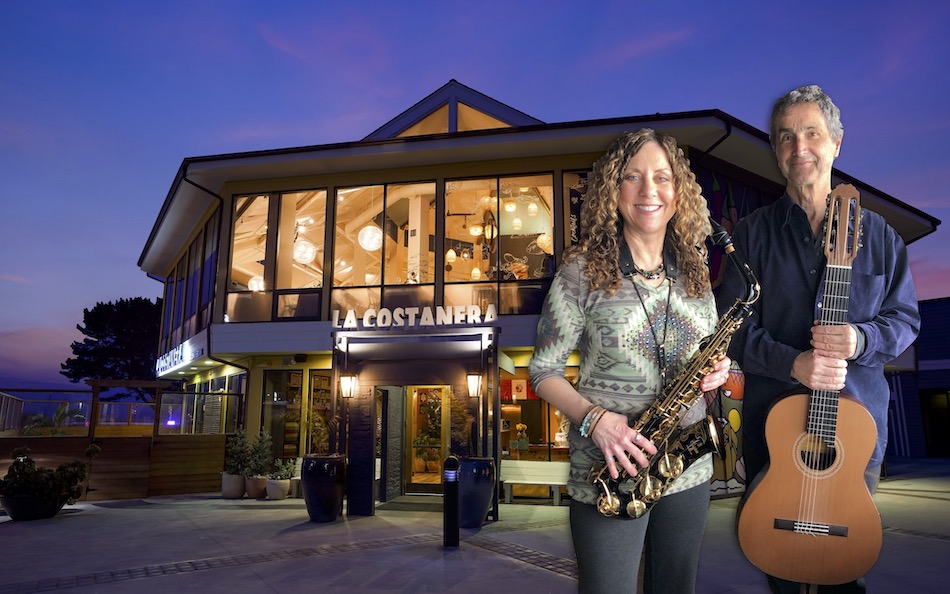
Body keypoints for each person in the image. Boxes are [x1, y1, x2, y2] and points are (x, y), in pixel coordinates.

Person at [716, 85, 921, 593]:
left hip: (857, 436)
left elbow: (905, 321)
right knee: (780, 567)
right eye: (786, 137)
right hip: (773, 432)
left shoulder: (879, 236)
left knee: (843, 571)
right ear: (776, 149)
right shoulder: (751, 234)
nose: (799, 147)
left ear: (836, 143)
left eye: (812, 133)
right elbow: (730, 325)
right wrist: (793, 364)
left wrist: (859, 339)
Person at [528, 128, 732, 593]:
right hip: (610, 471)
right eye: (633, 177)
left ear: (679, 192)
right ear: (612, 191)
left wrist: (720, 372)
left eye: (662, 177)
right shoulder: (580, 272)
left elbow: (713, 356)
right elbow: (543, 371)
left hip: (687, 467)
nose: (649, 191)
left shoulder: (696, 273)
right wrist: (595, 419)